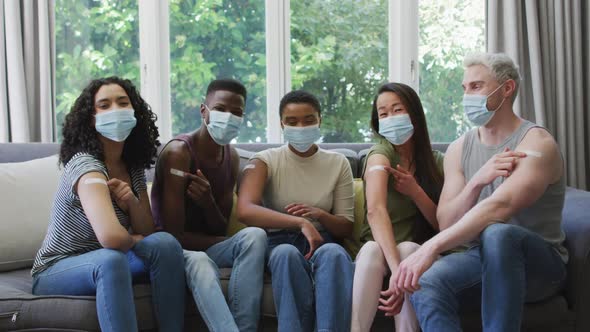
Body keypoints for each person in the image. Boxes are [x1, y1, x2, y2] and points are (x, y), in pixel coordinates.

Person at [394, 52, 568, 331]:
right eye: (465, 88)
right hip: (480, 260)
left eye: (476, 86)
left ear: (507, 88)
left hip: (539, 267)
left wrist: (430, 248)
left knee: (497, 232)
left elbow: (500, 207)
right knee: (426, 282)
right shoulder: (459, 149)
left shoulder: (536, 143)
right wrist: (477, 181)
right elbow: (446, 222)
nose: (467, 96)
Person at [31, 77, 185, 332]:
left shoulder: (132, 166)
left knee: (165, 244)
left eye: (123, 103)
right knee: (111, 260)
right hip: (56, 268)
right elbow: (111, 238)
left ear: (134, 112)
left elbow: (148, 232)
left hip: (108, 258)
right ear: (91, 118)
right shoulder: (86, 165)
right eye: (104, 105)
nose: (115, 109)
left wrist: (132, 202)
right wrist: (132, 238)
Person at [150, 78, 267, 332]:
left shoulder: (231, 156)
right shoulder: (179, 153)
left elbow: (220, 228)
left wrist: (208, 202)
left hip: (206, 245)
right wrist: (217, 239)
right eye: (221, 109)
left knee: (255, 236)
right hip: (173, 252)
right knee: (200, 262)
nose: (228, 117)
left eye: (236, 112)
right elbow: (173, 237)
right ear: (204, 110)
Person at [237, 90, 355, 332]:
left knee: (334, 253)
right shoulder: (265, 160)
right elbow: (245, 210)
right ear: (281, 124)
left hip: (323, 241)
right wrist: (300, 223)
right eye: (292, 122)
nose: (301, 127)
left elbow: (346, 225)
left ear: (320, 120)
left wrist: (319, 215)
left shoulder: (338, 163)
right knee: (285, 254)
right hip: (279, 241)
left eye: (309, 120)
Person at [351, 82, 444, 332]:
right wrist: (396, 272)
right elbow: (375, 210)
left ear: (414, 113)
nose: (390, 118)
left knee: (409, 250)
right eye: (383, 114)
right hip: (379, 255)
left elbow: (442, 224)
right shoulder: (380, 154)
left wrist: (416, 192)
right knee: (371, 249)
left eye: (397, 110)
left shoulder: (437, 163)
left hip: (416, 251)